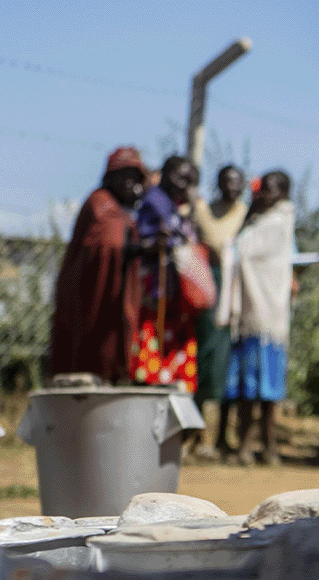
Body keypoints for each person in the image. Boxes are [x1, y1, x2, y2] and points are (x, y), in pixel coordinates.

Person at [218, 170, 296, 465]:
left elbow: (241, 248)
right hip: (260, 313)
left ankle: (258, 445)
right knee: (251, 387)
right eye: (262, 189)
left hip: (264, 315)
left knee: (260, 388)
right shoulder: (267, 221)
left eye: (271, 189)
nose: (264, 194)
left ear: (284, 193)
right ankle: (254, 446)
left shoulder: (276, 222)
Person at [50, 147, 146, 384]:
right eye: (125, 176)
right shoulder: (100, 204)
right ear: (110, 177)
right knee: (88, 358)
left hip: (115, 302)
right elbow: (109, 245)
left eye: (135, 177)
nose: (130, 183)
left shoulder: (122, 211)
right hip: (92, 302)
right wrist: (133, 250)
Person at [191, 165, 248, 459]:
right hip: (208, 285)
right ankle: (199, 434)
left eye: (238, 181)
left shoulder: (246, 214)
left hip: (237, 291)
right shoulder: (202, 211)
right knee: (206, 355)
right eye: (227, 181)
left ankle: (219, 435)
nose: (232, 186)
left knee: (227, 362)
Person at [131, 155, 200, 390]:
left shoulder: (174, 204)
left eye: (190, 180)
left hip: (172, 289)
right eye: (181, 178)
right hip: (155, 286)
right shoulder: (155, 201)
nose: (185, 184)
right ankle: (148, 384)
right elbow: (145, 238)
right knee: (151, 337)